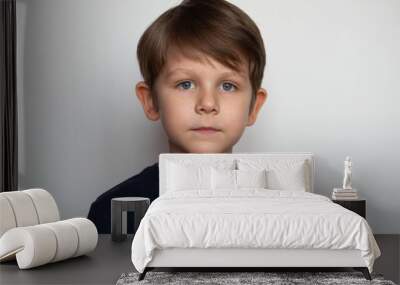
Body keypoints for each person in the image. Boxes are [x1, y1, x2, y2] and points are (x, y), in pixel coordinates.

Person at [87, 0, 268, 233]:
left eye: (228, 86)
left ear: (254, 106)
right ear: (150, 100)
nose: (208, 104)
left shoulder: (283, 212)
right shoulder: (111, 213)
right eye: (185, 84)